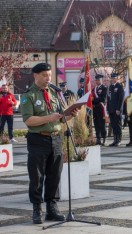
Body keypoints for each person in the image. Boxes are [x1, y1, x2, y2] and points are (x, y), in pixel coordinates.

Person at [20, 63, 79, 224]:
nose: (48, 78)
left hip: (56, 138)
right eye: (45, 75)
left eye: (50, 75)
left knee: (54, 175)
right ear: (36, 76)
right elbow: (28, 120)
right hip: (38, 139)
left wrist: (71, 115)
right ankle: (37, 208)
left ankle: (52, 207)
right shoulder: (29, 95)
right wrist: (49, 118)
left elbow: (60, 118)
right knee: (37, 176)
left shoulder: (54, 93)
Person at [107, 73, 124, 146]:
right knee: (113, 125)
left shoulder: (119, 86)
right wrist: (108, 109)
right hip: (111, 109)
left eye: (114, 78)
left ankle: (119, 140)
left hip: (117, 109)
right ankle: (115, 139)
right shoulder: (110, 87)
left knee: (118, 125)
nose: (112, 79)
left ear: (117, 78)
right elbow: (108, 99)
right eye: (112, 78)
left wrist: (118, 109)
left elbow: (121, 98)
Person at [92, 74, 107, 145]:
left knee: (102, 124)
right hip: (95, 109)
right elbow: (91, 98)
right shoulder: (93, 89)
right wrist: (94, 100)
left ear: (101, 80)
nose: (97, 81)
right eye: (96, 80)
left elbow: (103, 98)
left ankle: (104, 138)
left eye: (98, 80)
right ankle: (98, 138)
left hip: (101, 108)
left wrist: (95, 100)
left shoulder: (104, 88)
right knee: (96, 124)